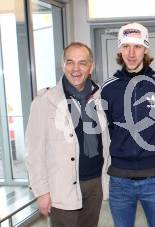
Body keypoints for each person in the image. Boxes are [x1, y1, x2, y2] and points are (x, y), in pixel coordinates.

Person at [101, 22, 155, 227]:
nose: (131, 53)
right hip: (119, 180)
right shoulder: (108, 89)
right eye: (126, 46)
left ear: (145, 49)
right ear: (120, 49)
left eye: (137, 47)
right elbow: (108, 128)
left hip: (154, 178)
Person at [25, 42, 110, 227]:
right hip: (62, 186)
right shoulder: (44, 102)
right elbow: (34, 152)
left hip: (95, 183)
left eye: (82, 62)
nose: (76, 69)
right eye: (70, 62)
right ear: (63, 65)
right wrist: (42, 192)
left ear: (91, 67)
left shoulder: (100, 98)